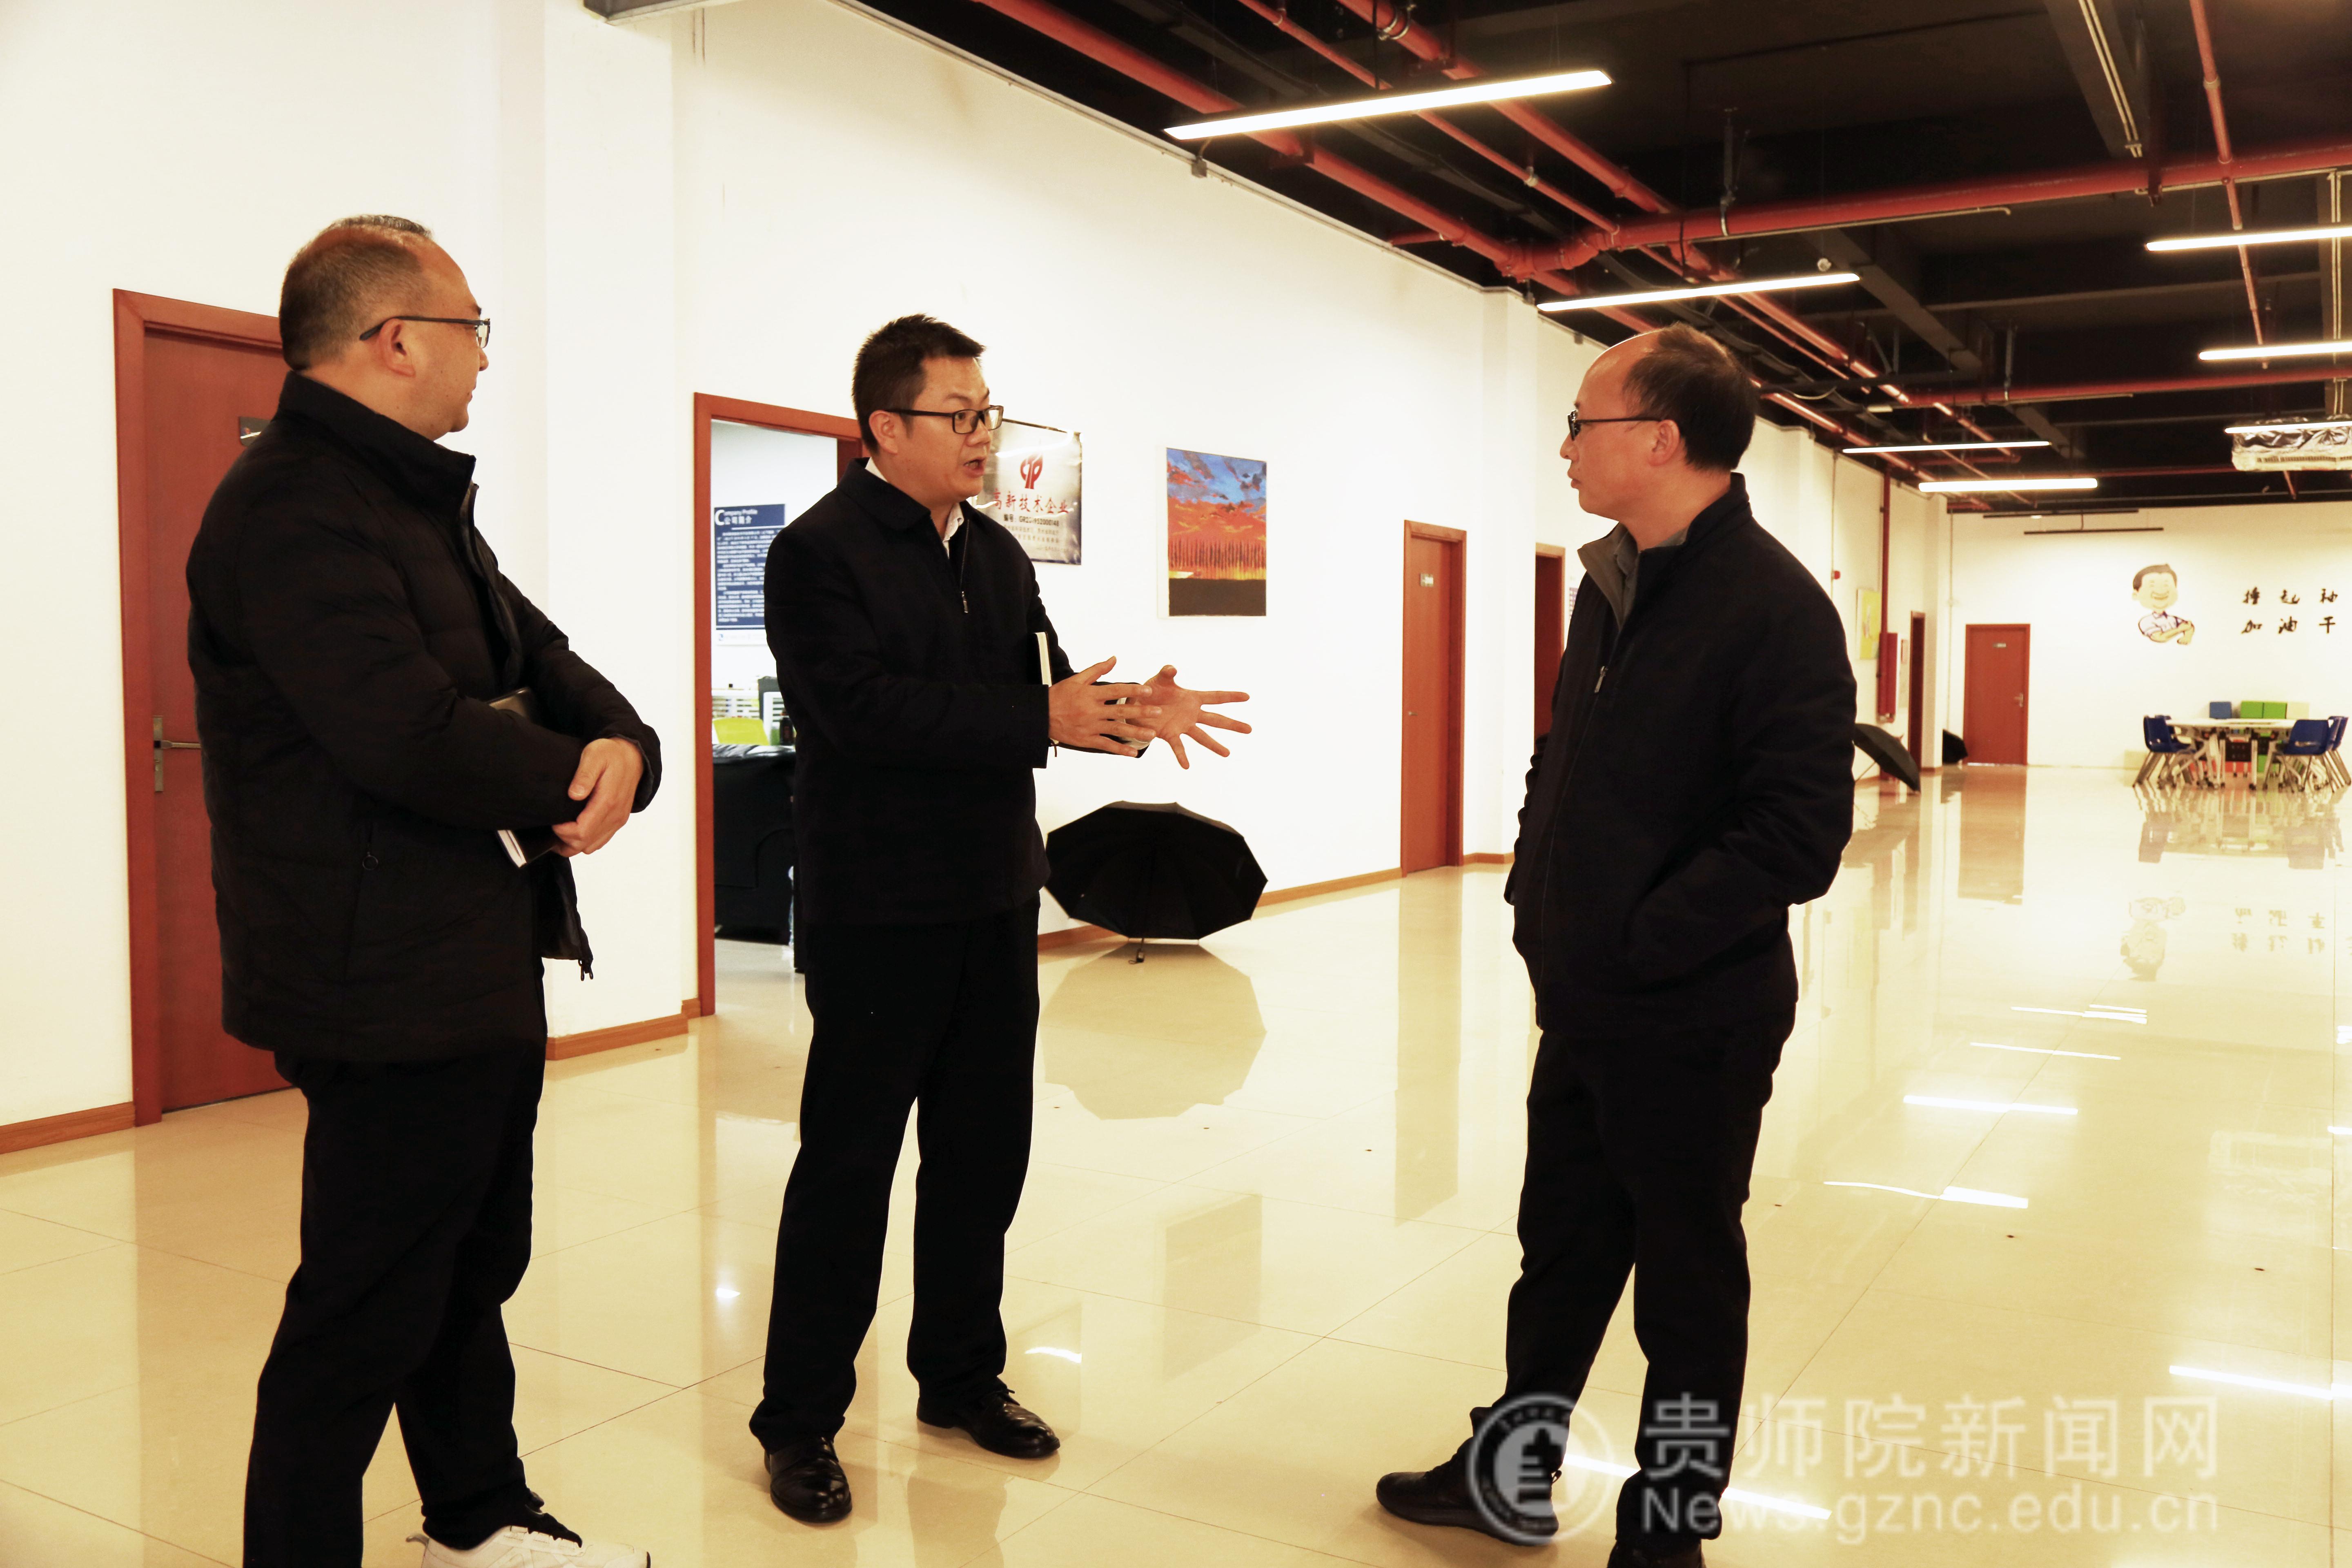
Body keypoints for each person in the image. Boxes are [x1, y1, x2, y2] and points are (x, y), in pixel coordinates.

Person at [187, 215, 660, 1568]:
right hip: (374, 972)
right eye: (473, 332)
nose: (485, 361)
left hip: (469, 950)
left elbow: (543, 661)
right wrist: (574, 770)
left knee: (465, 1265)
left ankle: (476, 1514)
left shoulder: (414, 500)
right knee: (365, 1302)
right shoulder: (289, 507)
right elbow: (403, 732)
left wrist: (623, 747)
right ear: (396, 341)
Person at [751, 314, 1250, 1523]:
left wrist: (1125, 713)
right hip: (878, 909)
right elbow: (860, 712)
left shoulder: (994, 553)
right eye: (960, 416)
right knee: (850, 1169)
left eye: (990, 415)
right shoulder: (818, 553)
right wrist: (1041, 718)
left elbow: (1044, 687)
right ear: (886, 427)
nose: (984, 436)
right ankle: (800, 1420)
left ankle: (961, 1376)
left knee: (983, 1159)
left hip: (990, 898)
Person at [1375, 325, 1855, 1567]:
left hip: (1693, 1009)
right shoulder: (1615, 583)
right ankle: (1509, 1476)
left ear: (1660, 440)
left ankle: (1670, 1524)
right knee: (1563, 1249)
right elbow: (1567, 760)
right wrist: (1538, 895)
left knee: (1686, 1279)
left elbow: (1797, 835)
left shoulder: (1776, 610)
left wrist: (1644, 936)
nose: (1565, 448)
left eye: (1582, 424)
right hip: (1588, 995)